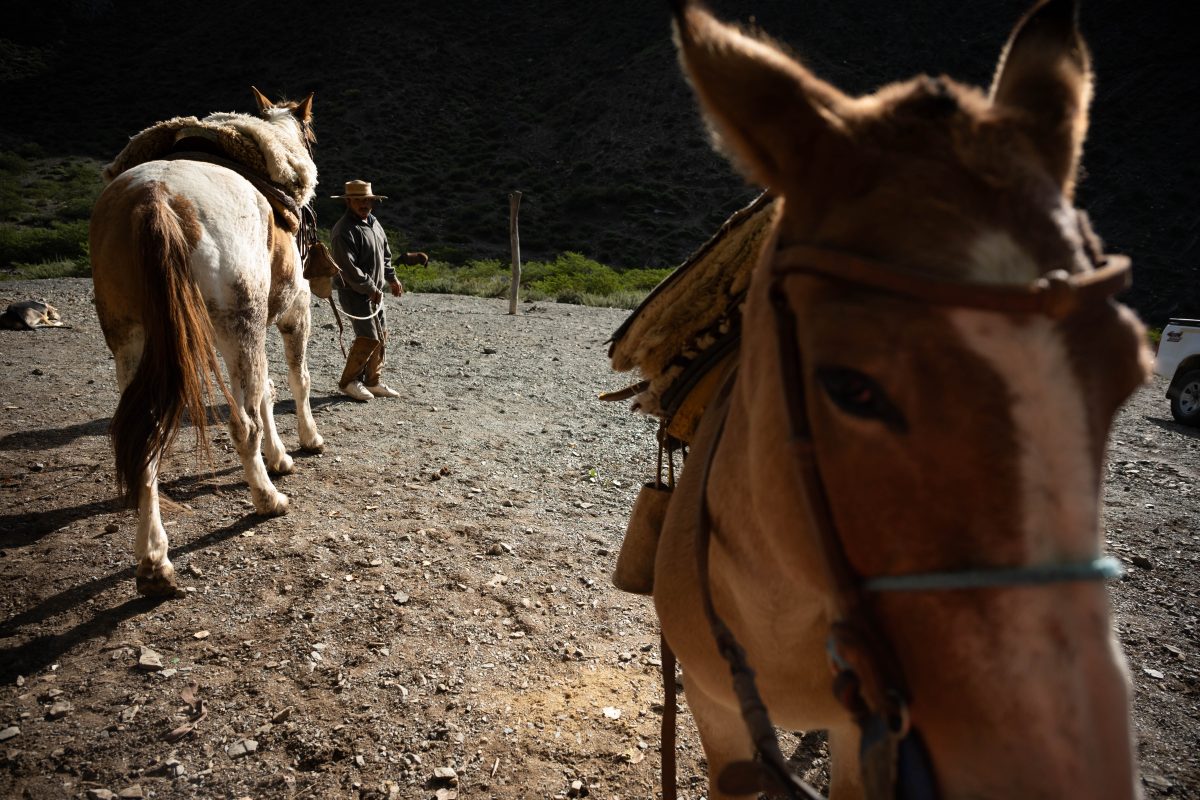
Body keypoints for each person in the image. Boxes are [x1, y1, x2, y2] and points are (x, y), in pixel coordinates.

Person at [328, 179, 427, 401]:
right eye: (359, 200)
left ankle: (372, 381)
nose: (364, 204)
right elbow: (348, 268)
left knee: (381, 334)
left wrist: (392, 278)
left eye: (368, 200)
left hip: (375, 293)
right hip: (354, 293)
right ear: (349, 202)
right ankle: (349, 382)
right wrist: (370, 288)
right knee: (368, 336)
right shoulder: (343, 230)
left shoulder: (374, 223)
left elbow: (385, 255)